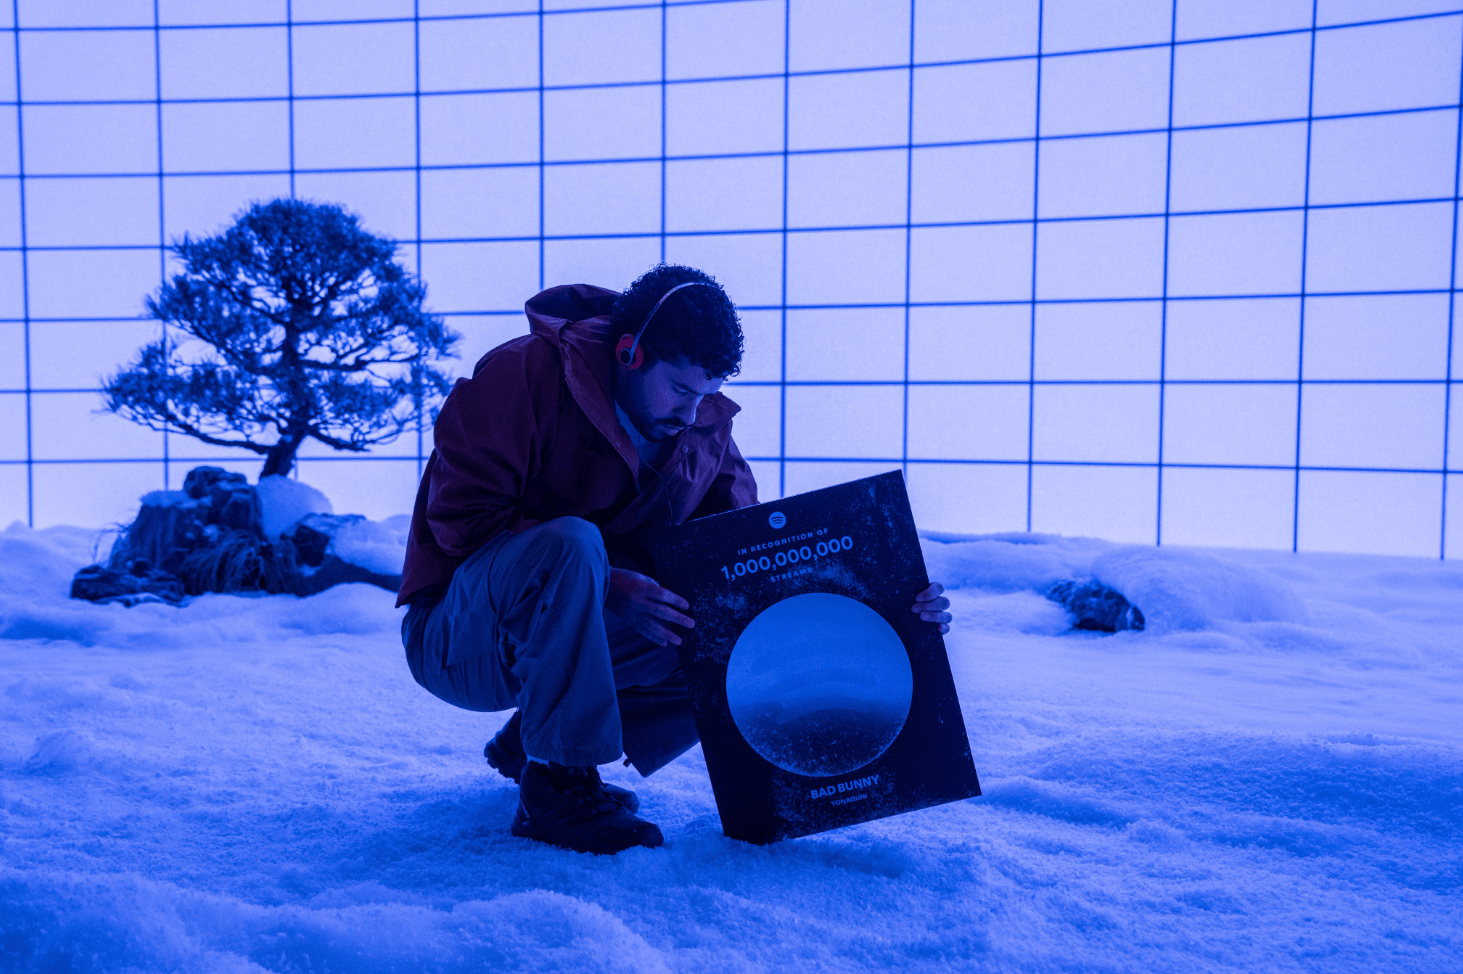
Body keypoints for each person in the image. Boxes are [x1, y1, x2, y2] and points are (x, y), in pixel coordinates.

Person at [397, 264, 953, 854]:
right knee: (573, 544)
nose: (691, 414)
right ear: (629, 353)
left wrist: (888, 605)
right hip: (459, 639)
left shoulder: (705, 433)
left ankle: (535, 737)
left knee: (725, 629)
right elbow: (460, 522)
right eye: (682, 390)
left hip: (557, 647)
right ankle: (557, 783)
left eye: (706, 395)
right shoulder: (522, 375)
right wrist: (609, 585)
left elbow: (752, 572)